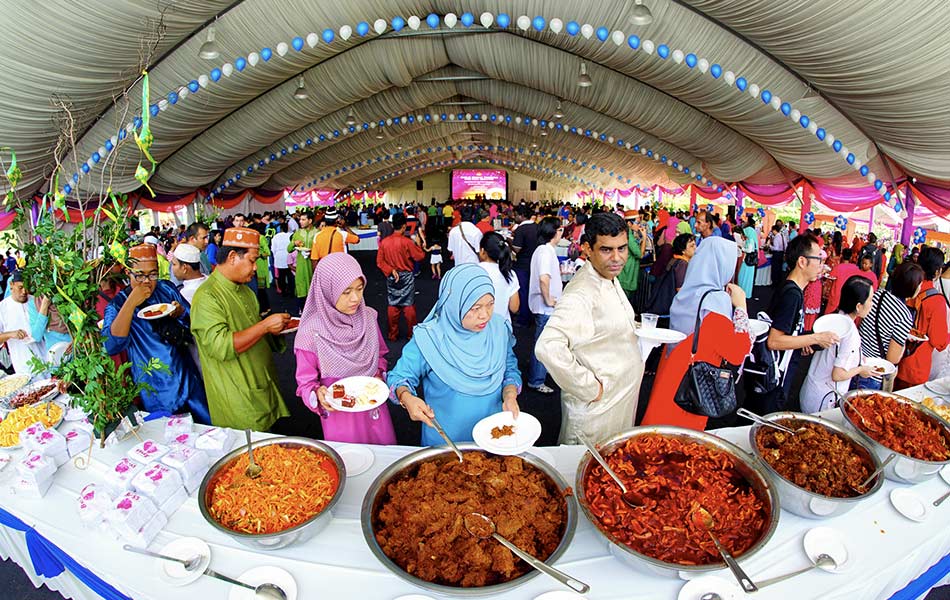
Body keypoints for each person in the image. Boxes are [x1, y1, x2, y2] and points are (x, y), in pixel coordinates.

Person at [536, 212, 642, 443]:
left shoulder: (607, 277)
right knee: (583, 471)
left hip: (617, 402)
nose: (617, 258)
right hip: (595, 413)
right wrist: (591, 389)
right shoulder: (582, 292)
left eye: (622, 248)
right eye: (606, 249)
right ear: (587, 248)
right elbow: (547, 347)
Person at [388, 264, 521, 446]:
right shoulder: (429, 338)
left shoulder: (499, 328)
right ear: (454, 304)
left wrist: (510, 394)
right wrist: (407, 397)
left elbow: (510, 369)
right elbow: (400, 377)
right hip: (446, 440)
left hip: (494, 435)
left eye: (490, 304)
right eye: (475, 308)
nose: (485, 315)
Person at [641, 237, 753, 430]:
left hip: (671, 372)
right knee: (679, 440)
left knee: (657, 429)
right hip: (693, 385)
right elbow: (736, 352)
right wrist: (741, 306)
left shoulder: (687, 292)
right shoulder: (715, 301)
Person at [191, 227, 291, 431]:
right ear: (232, 257)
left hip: (261, 382)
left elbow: (252, 331)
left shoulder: (245, 291)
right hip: (237, 395)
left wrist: (275, 328)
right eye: (252, 261)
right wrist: (264, 326)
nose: (255, 268)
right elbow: (221, 346)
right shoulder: (207, 297)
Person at [295, 254, 396, 444]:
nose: (355, 298)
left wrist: (378, 374)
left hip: (372, 403)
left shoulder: (368, 317)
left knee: (384, 453)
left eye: (359, 289)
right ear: (327, 290)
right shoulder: (310, 334)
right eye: (346, 292)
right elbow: (305, 383)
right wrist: (318, 394)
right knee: (351, 460)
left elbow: (381, 355)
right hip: (340, 414)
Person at [103, 244, 209, 422]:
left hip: (185, 374)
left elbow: (193, 319)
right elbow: (112, 345)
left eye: (153, 274)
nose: (147, 281)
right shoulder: (117, 305)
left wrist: (180, 311)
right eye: (139, 275)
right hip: (155, 385)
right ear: (128, 273)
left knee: (206, 426)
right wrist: (131, 303)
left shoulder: (166, 288)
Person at [761, 234, 839, 411]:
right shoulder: (792, 295)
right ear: (802, 262)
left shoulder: (791, 288)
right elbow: (774, 341)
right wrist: (815, 338)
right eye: (819, 259)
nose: (822, 265)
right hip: (776, 376)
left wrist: (803, 339)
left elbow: (786, 332)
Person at [800, 276, 877, 413]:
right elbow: (838, 374)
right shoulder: (850, 334)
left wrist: (858, 359)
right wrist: (861, 370)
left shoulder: (834, 317)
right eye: (870, 300)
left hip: (811, 389)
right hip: (824, 400)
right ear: (858, 306)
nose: (872, 304)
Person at [856, 261, 922, 390]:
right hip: (873, 374)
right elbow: (892, 358)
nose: (920, 288)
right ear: (912, 286)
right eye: (919, 284)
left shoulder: (878, 294)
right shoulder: (904, 315)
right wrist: (905, 344)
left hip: (857, 362)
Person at [896, 247, 948, 388]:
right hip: (916, 367)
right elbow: (939, 341)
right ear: (937, 271)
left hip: (895, 356)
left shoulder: (906, 285)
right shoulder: (937, 301)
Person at [527, 217, 564, 394]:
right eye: (560, 230)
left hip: (546, 306)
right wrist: (549, 299)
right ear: (553, 232)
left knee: (544, 343)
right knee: (543, 345)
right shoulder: (545, 251)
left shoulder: (544, 250)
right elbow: (544, 278)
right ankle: (536, 380)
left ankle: (539, 375)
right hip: (545, 307)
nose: (561, 233)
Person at [376, 213, 426, 341]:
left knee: (393, 304)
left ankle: (392, 334)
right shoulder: (407, 242)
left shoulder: (384, 242)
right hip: (406, 276)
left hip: (392, 276)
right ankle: (411, 334)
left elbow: (379, 262)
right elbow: (419, 256)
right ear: (404, 226)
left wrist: (390, 270)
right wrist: (419, 245)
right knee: (408, 306)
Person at [0, 272, 47, 374]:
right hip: (23, 364)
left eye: (27, 287)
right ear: (11, 285)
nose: (24, 291)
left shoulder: (37, 301)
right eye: (20, 287)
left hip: (47, 359)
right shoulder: (2, 308)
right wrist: (10, 334)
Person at [478, 232, 520, 324]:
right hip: (502, 328)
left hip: (478, 326)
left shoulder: (473, 271)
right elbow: (514, 308)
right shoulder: (510, 274)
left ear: (482, 251)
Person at [511, 207, 539, 327]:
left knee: (523, 291)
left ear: (521, 215)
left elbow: (517, 249)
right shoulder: (537, 227)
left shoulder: (521, 229)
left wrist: (509, 241)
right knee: (533, 290)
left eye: (516, 215)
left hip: (522, 264)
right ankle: (533, 316)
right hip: (536, 263)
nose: (514, 217)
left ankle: (524, 319)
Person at [288, 211, 317, 311]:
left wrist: (313, 251)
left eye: (303, 220)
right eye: (300, 219)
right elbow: (289, 249)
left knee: (313, 286)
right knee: (301, 286)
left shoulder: (317, 233)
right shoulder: (297, 233)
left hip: (313, 264)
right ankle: (303, 310)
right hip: (300, 264)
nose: (300, 221)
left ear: (310, 221)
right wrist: (294, 243)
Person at [617, 210, 646, 301]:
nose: (639, 225)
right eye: (637, 222)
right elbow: (640, 254)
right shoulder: (628, 236)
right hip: (626, 275)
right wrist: (644, 238)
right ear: (629, 223)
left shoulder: (625, 233)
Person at [737, 215, 758, 298]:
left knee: (743, 276)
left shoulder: (750, 240)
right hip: (749, 261)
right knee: (746, 277)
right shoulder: (751, 239)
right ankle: (745, 292)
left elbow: (749, 250)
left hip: (748, 261)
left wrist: (741, 247)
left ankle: (744, 293)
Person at [271, 224, 293, 297]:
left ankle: (283, 291)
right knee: (290, 275)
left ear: (280, 229)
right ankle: (291, 290)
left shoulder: (276, 236)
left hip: (279, 257)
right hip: (289, 256)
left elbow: (273, 249)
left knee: (281, 276)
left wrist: (275, 256)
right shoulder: (291, 235)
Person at [769, 221, 788, 290]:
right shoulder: (783, 236)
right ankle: (779, 283)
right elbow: (786, 246)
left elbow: (775, 248)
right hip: (782, 253)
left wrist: (770, 246)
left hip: (776, 254)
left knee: (775, 269)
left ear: (774, 230)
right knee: (779, 269)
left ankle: (774, 284)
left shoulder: (776, 237)